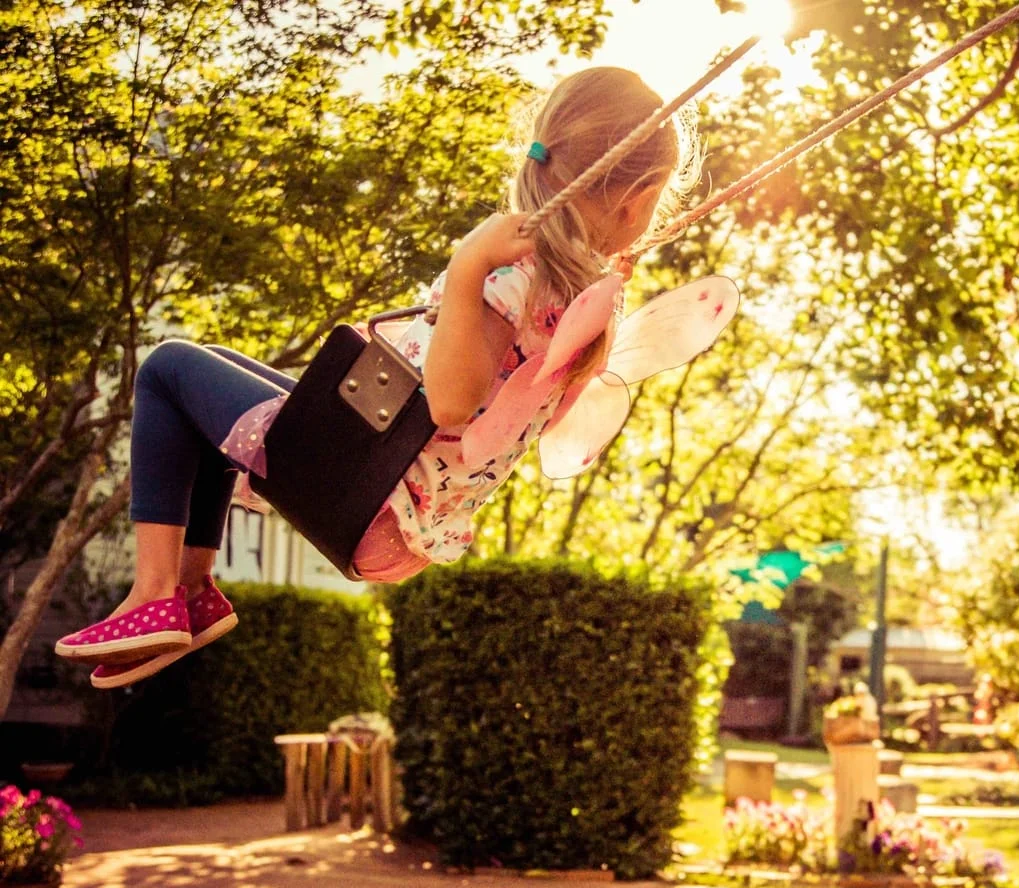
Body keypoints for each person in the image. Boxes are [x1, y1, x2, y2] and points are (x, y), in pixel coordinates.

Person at [57, 66, 701, 689]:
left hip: (366, 489)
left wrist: (467, 261)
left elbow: (450, 403)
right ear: (639, 201)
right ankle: (193, 590)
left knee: (168, 369)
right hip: (397, 513)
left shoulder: (511, 280)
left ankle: (154, 592)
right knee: (211, 380)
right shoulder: (580, 305)